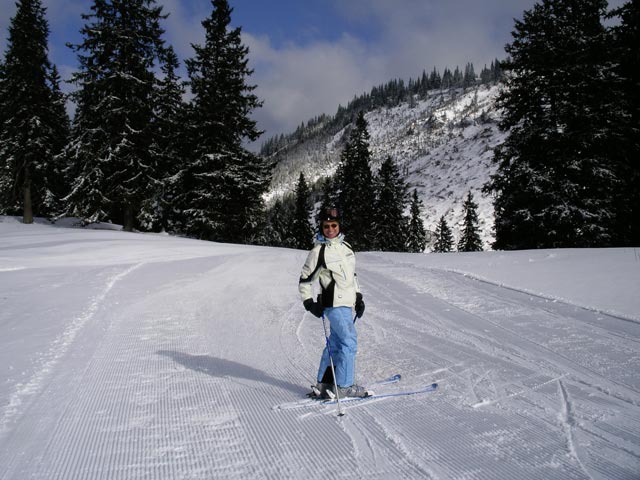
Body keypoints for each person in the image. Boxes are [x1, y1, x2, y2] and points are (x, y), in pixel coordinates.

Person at [298, 207, 366, 398]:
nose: (330, 229)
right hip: (333, 305)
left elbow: (352, 276)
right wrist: (309, 303)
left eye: (333, 225)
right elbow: (305, 280)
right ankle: (344, 387)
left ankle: (324, 384)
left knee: (336, 344)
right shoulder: (318, 252)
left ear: (339, 226)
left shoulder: (347, 248)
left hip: (347, 303)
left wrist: (358, 297)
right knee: (348, 342)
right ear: (321, 227)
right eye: (326, 226)